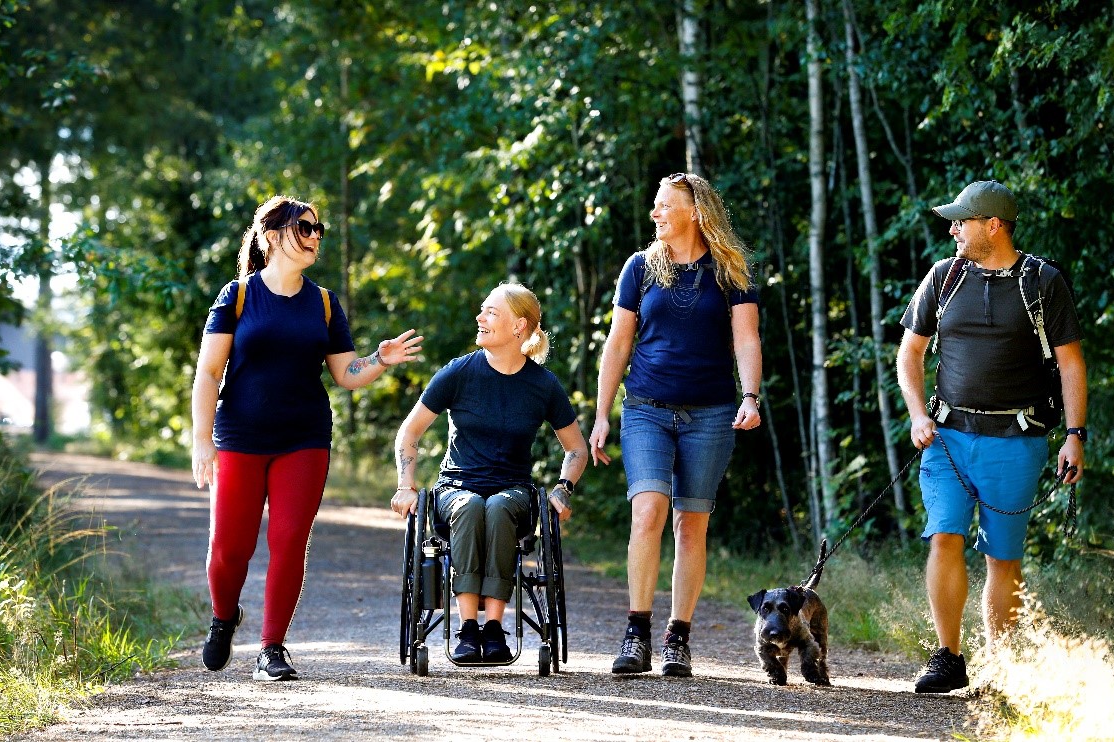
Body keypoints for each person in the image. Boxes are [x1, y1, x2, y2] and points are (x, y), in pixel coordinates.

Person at [192, 195, 422, 681]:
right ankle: (223, 616)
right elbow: (209, 374)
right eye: (306, 228)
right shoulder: (235, 296)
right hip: (239, 437)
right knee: (229, 548)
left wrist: (379, 360)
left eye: (320, 230)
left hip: (304, 439)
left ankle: (271, 648)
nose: (316, 236)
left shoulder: (323, 303)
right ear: (273, 236)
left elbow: (346, 373)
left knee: (290, 539)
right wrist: (201, 441)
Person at [896, 180, 1086, 693]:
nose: (953, 229)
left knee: (1002, 557)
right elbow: (908, 355)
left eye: (962, 220)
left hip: (1017, 439)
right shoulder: (944, 277)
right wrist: (918, 415)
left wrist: (1075, 435)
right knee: (943, 535)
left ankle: (1000, 671)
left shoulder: (1041, 282)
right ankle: (948, 656)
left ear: (993, 225)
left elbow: (1070, 363)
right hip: (947, 437)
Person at [589, 172, 762, 677]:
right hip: (645, 409)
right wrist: (601, 414)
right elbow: (618, 344)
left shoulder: (731, 270)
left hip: (710, 415)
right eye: (655, 206)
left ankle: (677, 638)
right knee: (648, 513)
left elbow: (747, 339)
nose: (656, 214)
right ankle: (636, 632)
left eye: (665, 206)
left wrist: (750, 396)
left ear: (695, 212)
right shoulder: (640, 268)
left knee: (691, 524)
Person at [391, 282, 588, 664]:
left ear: (519, 326)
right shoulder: (459, 373)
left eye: (491, 312)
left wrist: (564, 489)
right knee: (469, 507)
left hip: (513, 491)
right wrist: (405, 485)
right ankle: (467, 628)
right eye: (482, 310)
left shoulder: (543, 385)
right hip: (456, 488)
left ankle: (495, 627)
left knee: (497, 507)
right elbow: (409, 432)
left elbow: (576, 448)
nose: (479, 318)